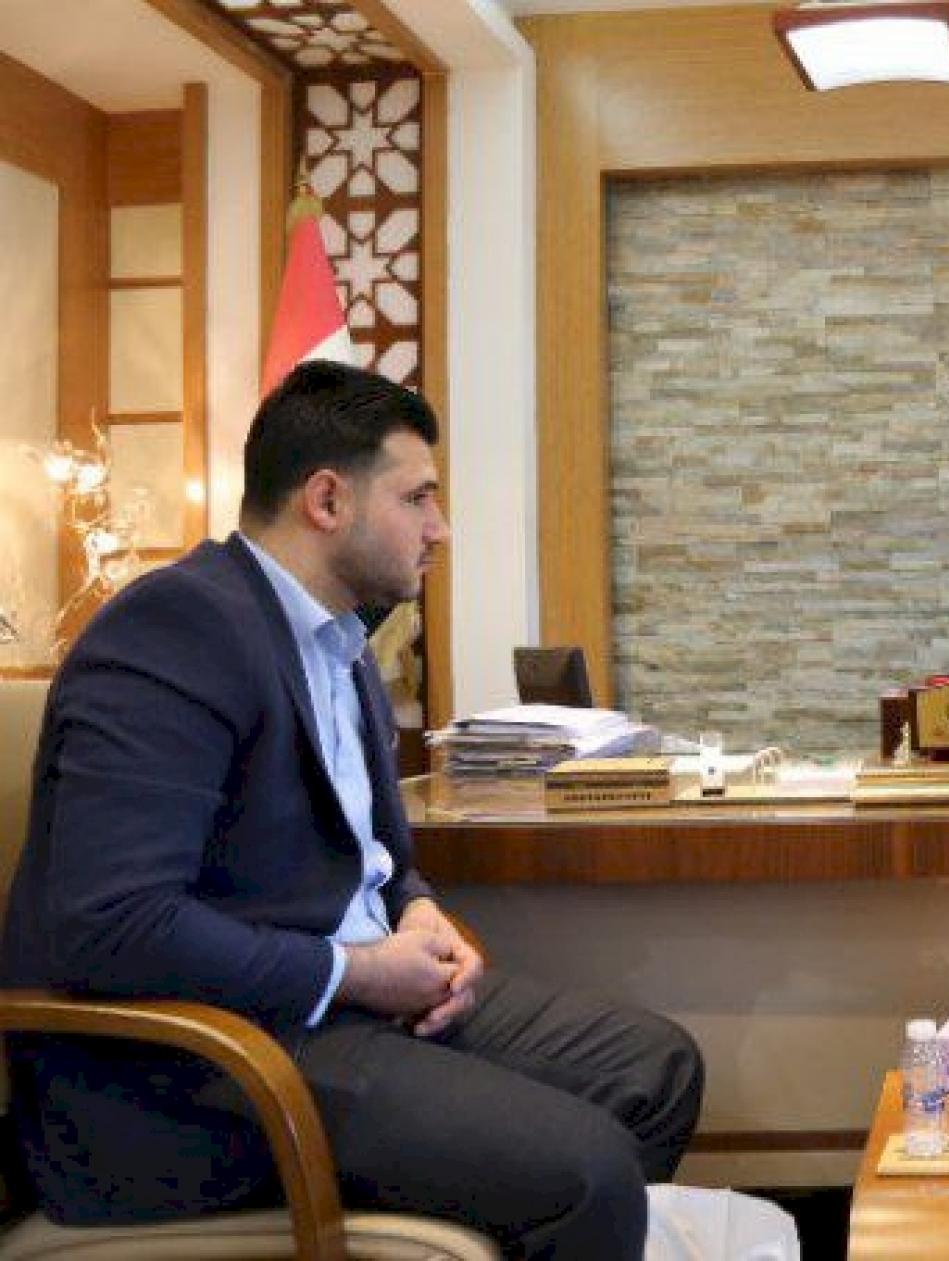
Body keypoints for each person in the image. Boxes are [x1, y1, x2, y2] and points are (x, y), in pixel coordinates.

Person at [1, 362, 704, 1260]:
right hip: (201, 1068)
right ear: (328, 499)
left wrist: (416, 907)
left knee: (654, 1070)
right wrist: (357, 971)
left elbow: (367, 853)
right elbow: (112, 923)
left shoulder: (342, 639)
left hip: (336, 1010)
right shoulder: (174, 631)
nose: (440, 527)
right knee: (589, 1170)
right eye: (418, 498)